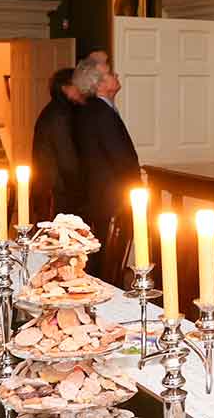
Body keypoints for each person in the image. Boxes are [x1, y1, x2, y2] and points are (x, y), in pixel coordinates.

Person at [72, 57, 139, 270]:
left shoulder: (93, 109)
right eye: (111, 74)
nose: (116, 75)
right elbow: (120, 157)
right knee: (109, 257)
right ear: (99, 84)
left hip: (100, 194)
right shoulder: (101, 112)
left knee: (104, 255)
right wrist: (135, 188)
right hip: (111, 196)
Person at [32, 68, 83, 223]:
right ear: (65, 88)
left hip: (52, 187)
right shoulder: (60, 115)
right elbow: (66, 158)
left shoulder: (55, 111)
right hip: (58, 190)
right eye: (78, 85)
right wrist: (81, 188)